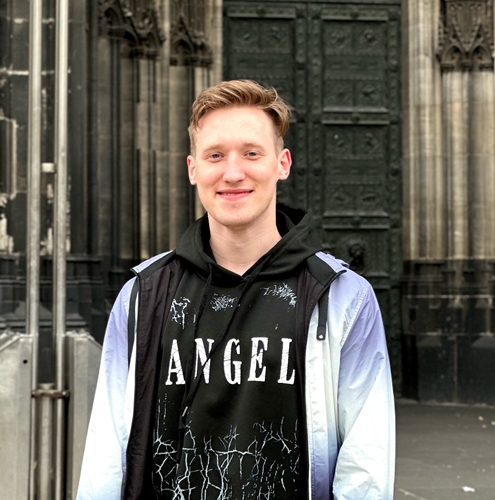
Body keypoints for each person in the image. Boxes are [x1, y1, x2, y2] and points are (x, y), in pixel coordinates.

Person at [77, 80, 395, 499]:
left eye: (251, 153)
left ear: (282, 163)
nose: (232, 172)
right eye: (215, 155)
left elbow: (365, 464)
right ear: (193, 169)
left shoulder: (341, 297)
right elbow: (107, 450)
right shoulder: (145, 294)